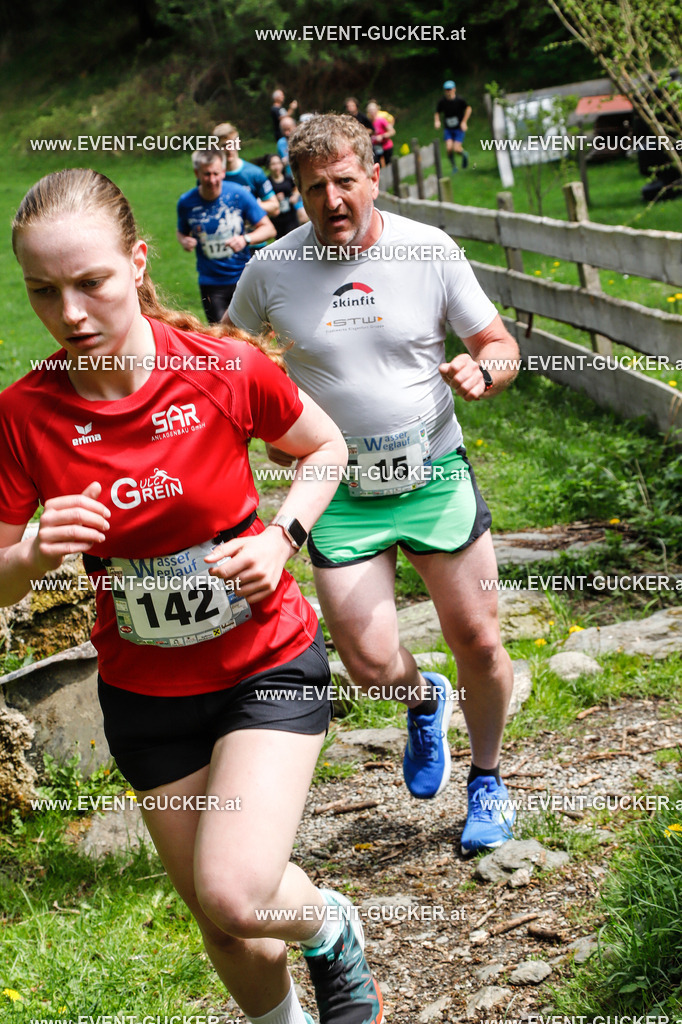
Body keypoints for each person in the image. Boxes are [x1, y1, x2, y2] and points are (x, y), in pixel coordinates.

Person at [1, 167, 384, 1024]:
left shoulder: (222, 370)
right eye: (43, 292)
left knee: (238, 887)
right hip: (146, 695)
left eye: (91, 282)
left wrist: (280, 537)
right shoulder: (23, 417)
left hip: (265, 665)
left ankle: (330, 929)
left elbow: (324, 451)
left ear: (137, 264)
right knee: (223, 924)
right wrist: (29, 551)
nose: (69, 314)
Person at [225, 114, 521, 855]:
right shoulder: (270, 271)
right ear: (297, 190)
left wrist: (484, 370)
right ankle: (424, 701)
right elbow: (230, 365)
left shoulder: (429, 249)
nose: (331, 199)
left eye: (344, 181)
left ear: (373, 176)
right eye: (314, 186)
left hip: (434, 470)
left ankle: (487, 778)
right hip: (339, 489)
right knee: (367, 662)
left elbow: (498, 342)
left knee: (480, 641)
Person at [177, 149, 275, 324]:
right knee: (221, 337)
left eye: (216, 173)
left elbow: (268, 229)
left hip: (243, 277)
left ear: (223, 172)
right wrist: (185, 240)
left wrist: (245, 239)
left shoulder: (239, 195)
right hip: (211, 282)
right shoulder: (186, 203)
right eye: (206, 174)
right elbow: (181, 232)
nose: (212, 180)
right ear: (197, 173)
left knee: (251, 335)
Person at [212, 122, 279, 221]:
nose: (229, 149)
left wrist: (248, 204)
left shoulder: (255, 173)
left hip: (251, 234)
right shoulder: (210, 176)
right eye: (224, 145)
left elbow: (275, 208)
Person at [434, 80, 471, 172]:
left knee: (456, 149)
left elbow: (468, 109)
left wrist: (464, 122)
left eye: (450, 89)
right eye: (446, 90)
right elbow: (437, 112)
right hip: (448, 129)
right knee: (449, 148)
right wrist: (437, 121)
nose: (448, 91)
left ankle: (464, 154)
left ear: (454, 89)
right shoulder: (442, 102)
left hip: (458, 129)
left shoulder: (459, 100)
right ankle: (454, 167)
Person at [267, 153, 305, 236]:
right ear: (269, 166)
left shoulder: (288, 178)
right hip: (277, 218)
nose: (276, 167)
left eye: (278, 163)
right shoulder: (267, 182)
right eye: (273, 164)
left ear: (282, 164)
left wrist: (295, 196)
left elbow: (296, 188)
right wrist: (275, 198)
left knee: (294, 237)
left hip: (291, 215)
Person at [366, 101, 395, 166]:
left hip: (386, 146)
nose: (372, 112)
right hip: (375, 148)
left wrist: (382, 136)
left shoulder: (381, 120)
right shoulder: (368, 122)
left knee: (388, 165)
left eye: (373, 110)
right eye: (370, 110)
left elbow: (392, 131)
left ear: (377, 110)